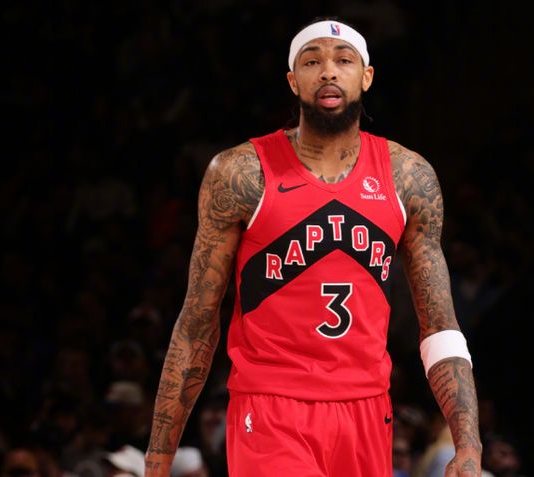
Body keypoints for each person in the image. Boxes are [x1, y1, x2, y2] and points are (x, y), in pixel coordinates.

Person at [145, 17, 481, 477]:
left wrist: (467, 443)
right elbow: (197, 325)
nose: (328, 71)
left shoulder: (409, 177)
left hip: (367, 410)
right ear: (292, 80)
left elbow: (439, 326)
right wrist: (158, 458)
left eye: (343, 60)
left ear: (366, 77)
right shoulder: (240, 173)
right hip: (270, 408)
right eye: (311, 61)